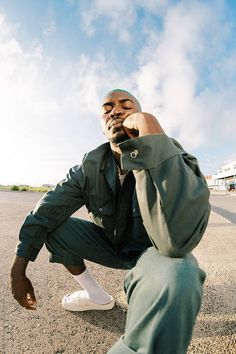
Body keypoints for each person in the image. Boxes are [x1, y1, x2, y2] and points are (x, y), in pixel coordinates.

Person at [11, 89, 210, 354]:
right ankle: (97, 296)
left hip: (152, 255)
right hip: (111, 245)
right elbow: (46, 211)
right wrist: (18, 266)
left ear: (139, 116)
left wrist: (149, 132)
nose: (115, 111)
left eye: (126, 106)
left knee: (180, 271)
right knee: (54, 226)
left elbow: (177, 241)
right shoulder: (89, 166)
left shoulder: (171, 154)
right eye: (107, 109)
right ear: (102, 127)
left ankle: (142, 306)